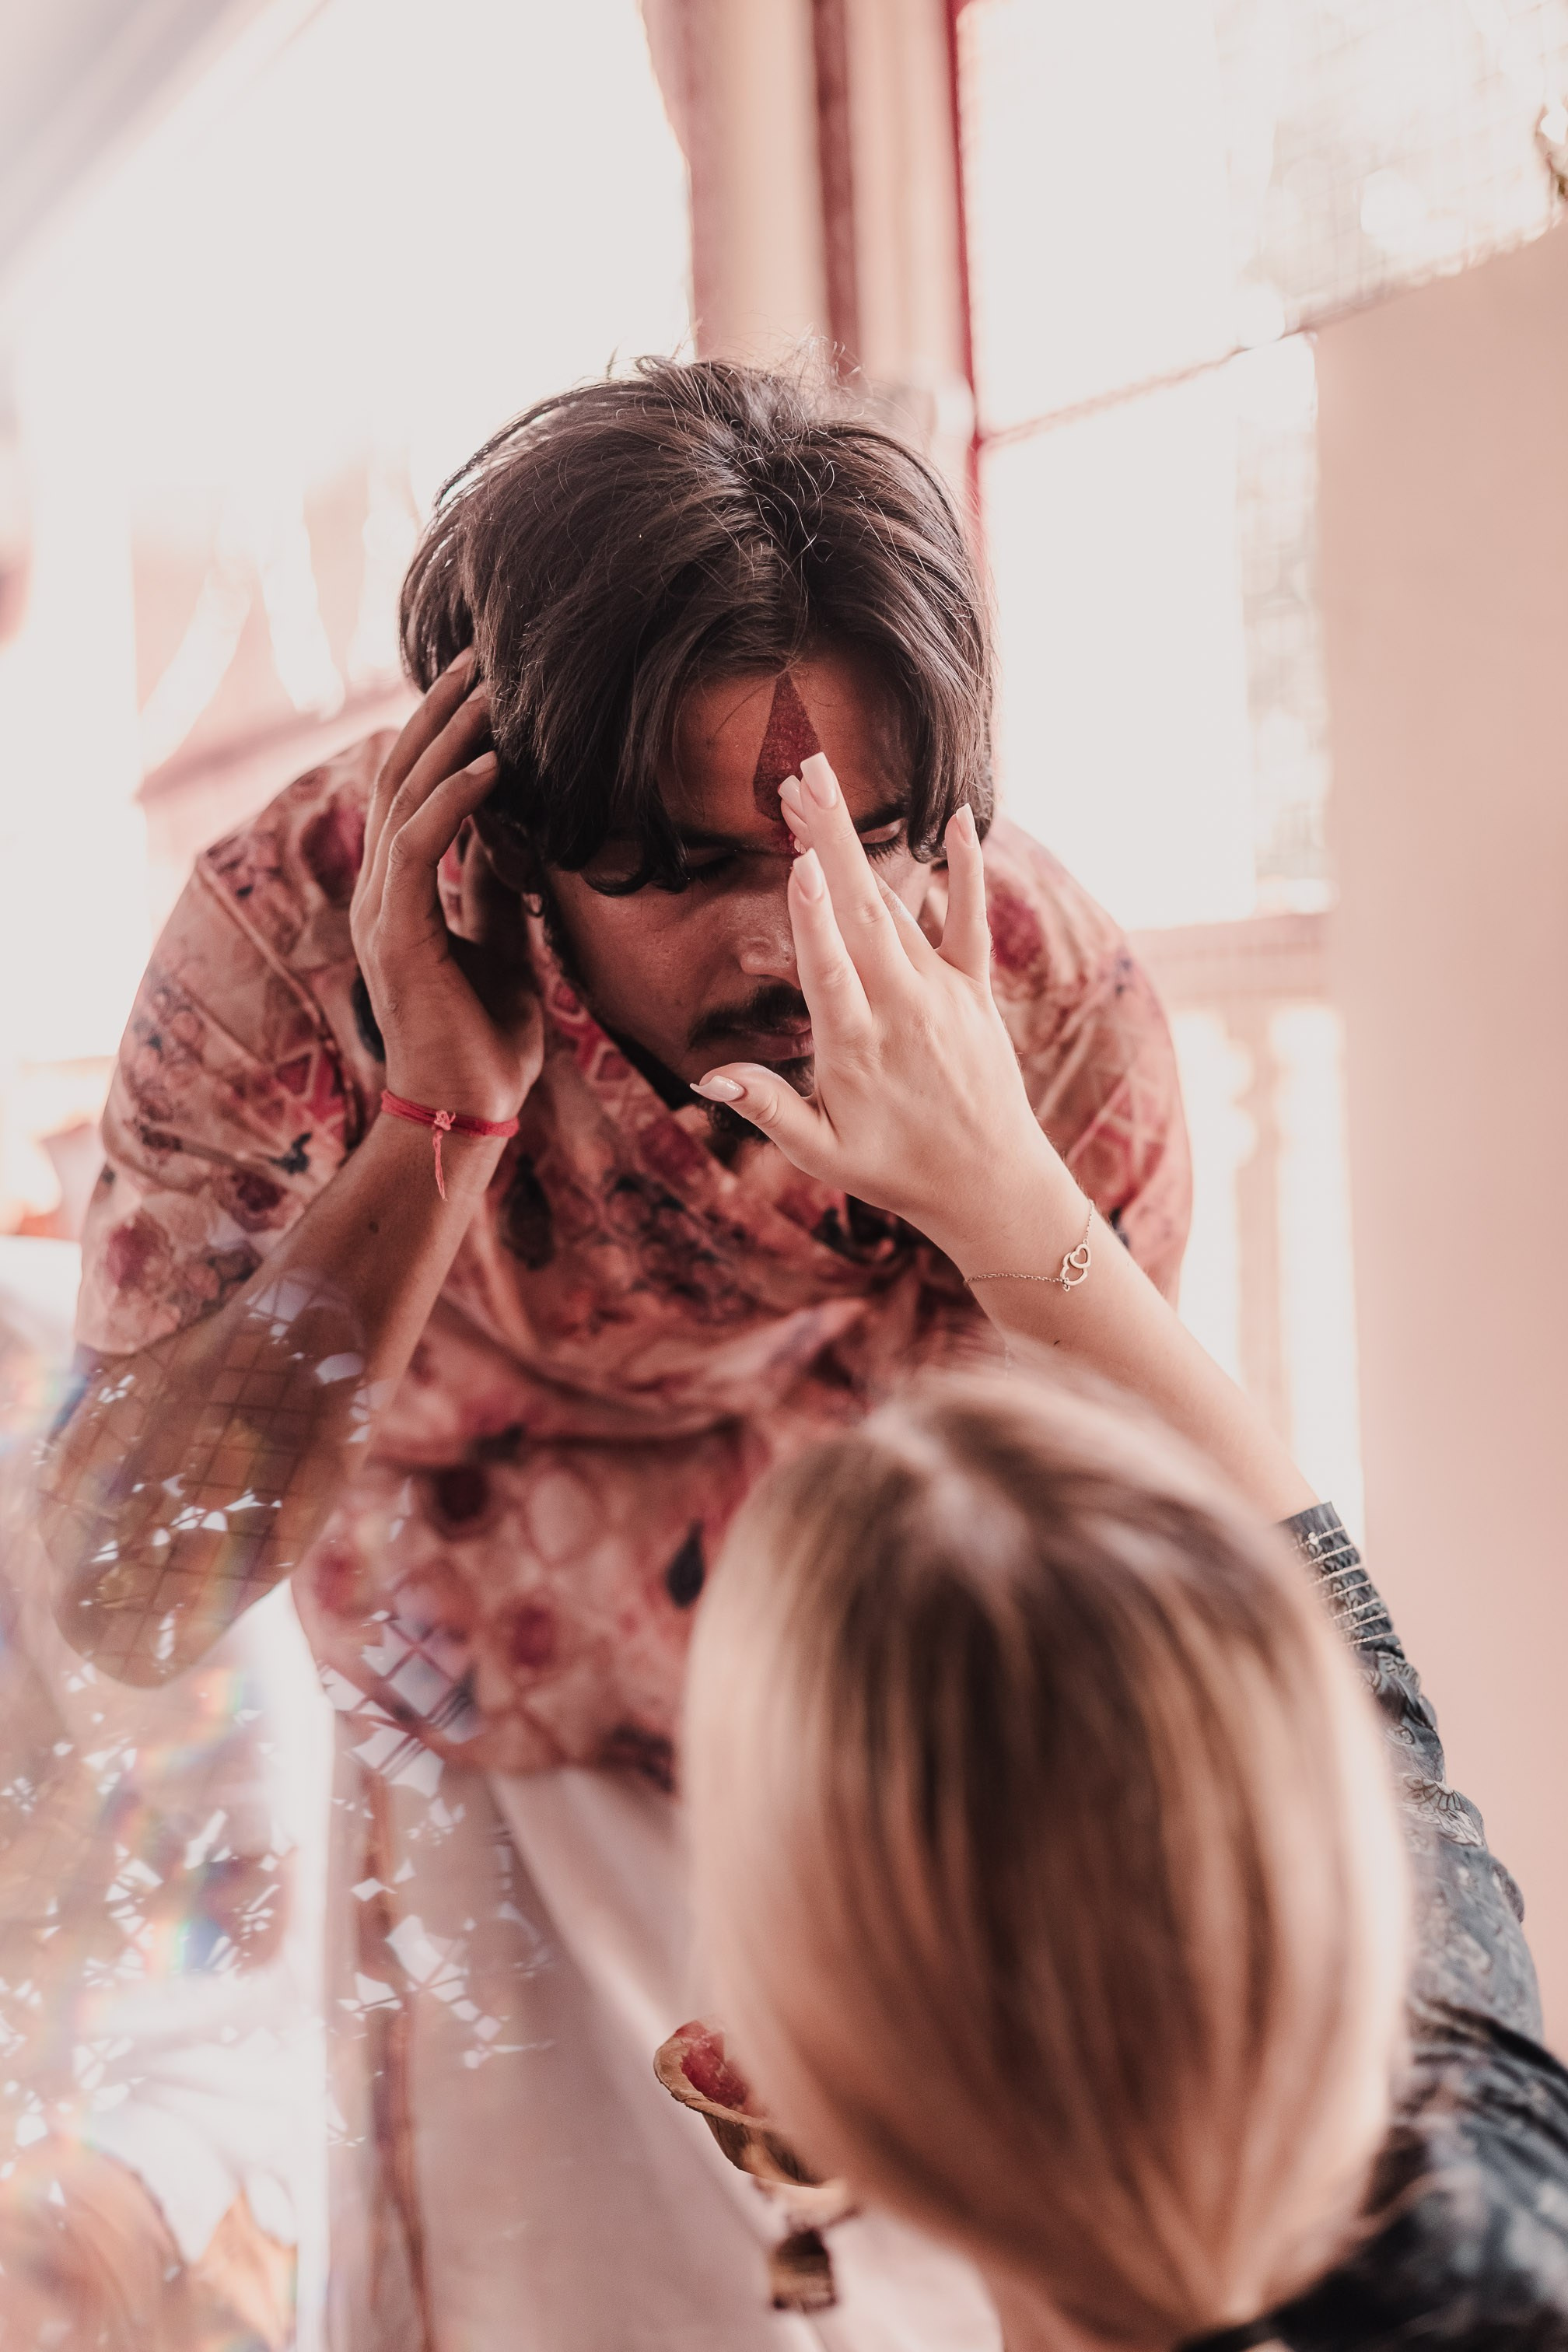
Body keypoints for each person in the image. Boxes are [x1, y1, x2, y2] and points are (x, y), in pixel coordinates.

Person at [36, 360, 1190, 2346]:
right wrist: (436, 1123)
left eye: (867, 841)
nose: (792, 942)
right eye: (690, 868)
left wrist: (997, 1188)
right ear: (505, 827)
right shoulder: (296, 941)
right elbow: (132, 1596)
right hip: (472, 1709)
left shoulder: (1033, 1002)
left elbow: (1126, 1587)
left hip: (877, 1717)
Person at [682, 751, 1568, 2350]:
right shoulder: (1492, 2207)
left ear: (802, 2104)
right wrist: (1009, 1192)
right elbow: (1350, 1659)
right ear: (1322, 1889)